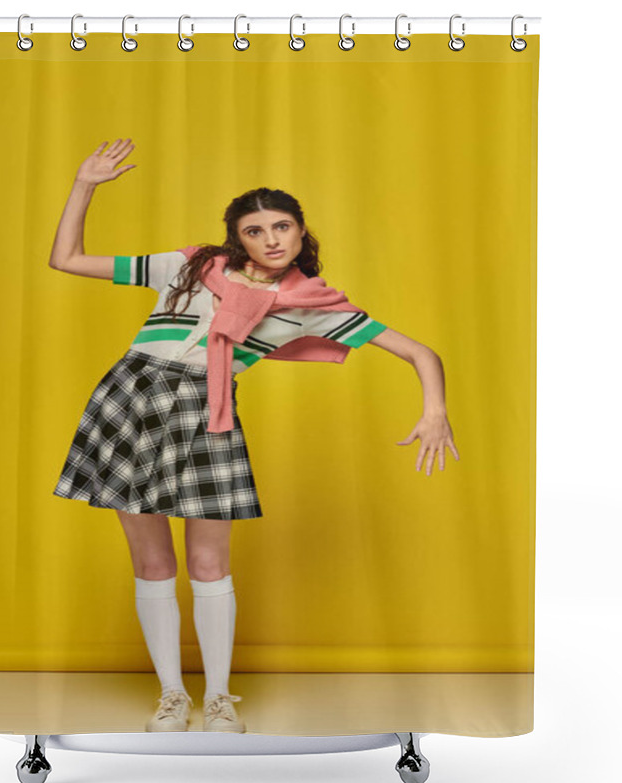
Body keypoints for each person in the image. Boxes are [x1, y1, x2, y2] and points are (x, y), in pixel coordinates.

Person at [48, 138, 460, 734]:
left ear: (299, 232)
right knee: (152, 562)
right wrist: (84, 184)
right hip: (130, 399)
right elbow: (67, 259)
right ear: (234, 238)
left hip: (206, 412)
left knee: (209, 563)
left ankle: (217, 699)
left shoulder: (314, 305)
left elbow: (420, 352)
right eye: (254, 230)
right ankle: (171, 696)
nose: (270, 239)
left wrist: (435, 409)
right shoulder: (190, 266)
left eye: (281, 226)